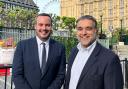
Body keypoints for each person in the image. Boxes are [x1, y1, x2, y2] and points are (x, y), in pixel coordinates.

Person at [64, 15, 124, 89]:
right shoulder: (74, 51)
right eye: (80, 29)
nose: (84, 33)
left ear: (96, 31)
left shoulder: (110, 59)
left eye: (88, 29)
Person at [12, 13, 66, 89]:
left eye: (47, 25)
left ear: (51, 27)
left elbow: (60, 75)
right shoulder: (22, 46)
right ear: (35, 26)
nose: (44, 28)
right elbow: (17, 74)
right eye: (40, 24)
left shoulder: (60, 48)